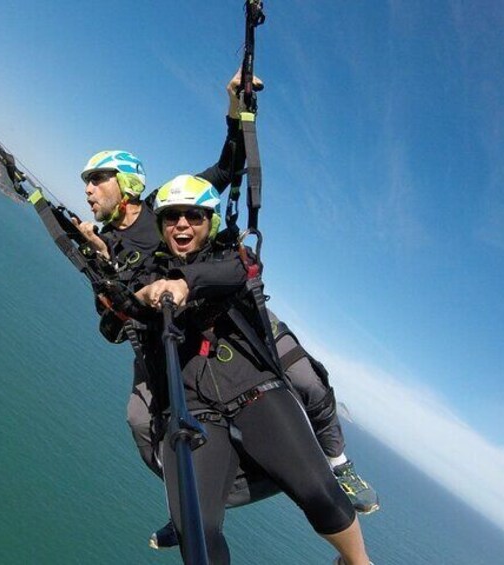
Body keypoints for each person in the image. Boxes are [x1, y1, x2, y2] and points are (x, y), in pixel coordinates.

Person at [74, 73, 379, 537]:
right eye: (87, 182)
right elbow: (115, 307)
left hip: (230, 311)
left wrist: (235, 108)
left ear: (126, 182)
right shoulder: (103, 242)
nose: (89, 190)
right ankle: (194, 503)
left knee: (307, 380)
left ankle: (337, 462)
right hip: (166, 336)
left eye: (96, 179)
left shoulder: (170, 203)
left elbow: (228, 167)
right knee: (142, 421)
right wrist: (99, 258)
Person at [132, 174, 371, 564]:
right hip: (195, 408)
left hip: (255, 388)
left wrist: (183, 282)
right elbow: (121, 310)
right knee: (197, 531)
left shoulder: (231, 256)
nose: (182, 225)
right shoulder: (148, 271)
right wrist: (145, 295)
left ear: (209, 223)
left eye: (193, 216)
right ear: (160, 224)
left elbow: (234, 272)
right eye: (172, 217)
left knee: (321, 493)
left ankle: (357, 562)